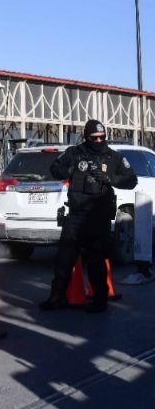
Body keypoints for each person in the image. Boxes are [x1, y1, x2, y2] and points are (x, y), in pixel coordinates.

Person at [41, 120, 137, 313]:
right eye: (95, 138)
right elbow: (55, 169)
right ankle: (57, 297)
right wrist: (69, 171)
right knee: (64, 258)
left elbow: (131, 180)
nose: (99, 141)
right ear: (86, 137)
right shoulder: (75, 153)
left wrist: (112, 179)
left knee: (96, 261)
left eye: (102, 137)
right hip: (76, 215)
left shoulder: (113, 157)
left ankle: (100, 300)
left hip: (98, 216)